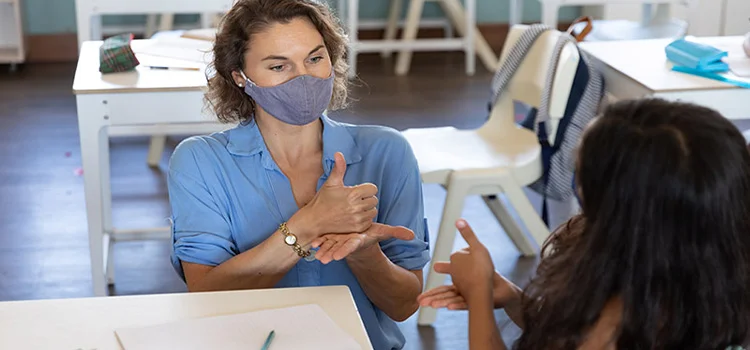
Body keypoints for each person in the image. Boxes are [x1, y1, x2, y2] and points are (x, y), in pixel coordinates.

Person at [167, 1, 430, 349]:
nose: (303, 78)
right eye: (279, 65)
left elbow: (404, 305)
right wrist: (308, 226)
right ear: (239, 77)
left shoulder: (388, 152)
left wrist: (364, 253)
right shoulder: (199, 162)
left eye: (315, 58)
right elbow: (205, 298)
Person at [418, 98, 750, 349]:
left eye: (581, 175)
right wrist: (516, 301)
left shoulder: (614, 328)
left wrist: (478, 295)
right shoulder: (704, 282)